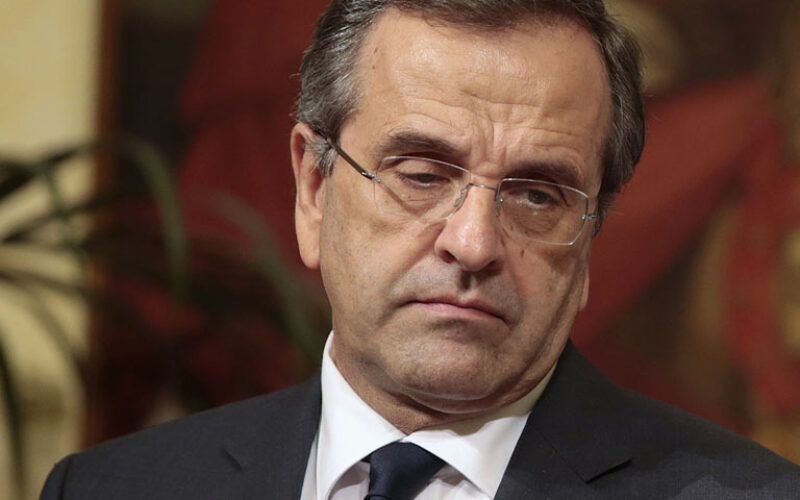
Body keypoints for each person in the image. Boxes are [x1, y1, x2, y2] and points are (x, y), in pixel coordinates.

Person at [41, 0, 800, 498]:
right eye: (422, 175)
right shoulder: (113, 489)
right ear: (313, 189)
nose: (473, 243)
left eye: (538, 195)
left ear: (593, 230)